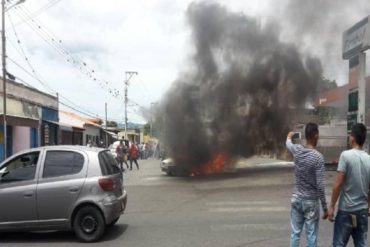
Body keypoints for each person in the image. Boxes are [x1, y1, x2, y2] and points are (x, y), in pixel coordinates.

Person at [286, 123, 328, 247]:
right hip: (310, 202)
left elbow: (288, 144)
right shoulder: (318, 158)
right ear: (316, 135)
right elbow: (320, 186)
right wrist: (325, 208)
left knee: (295, 234)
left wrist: (289, 136)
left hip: (296, 199)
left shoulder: (297, 150)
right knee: (311, 236)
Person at [328, 123, 370, 247]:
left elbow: (338, 183)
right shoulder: (369, 159)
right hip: (362, 212)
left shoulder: (345, 155)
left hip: (346, 211)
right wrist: (368, 206)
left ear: (352, 137)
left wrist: (331, 206)